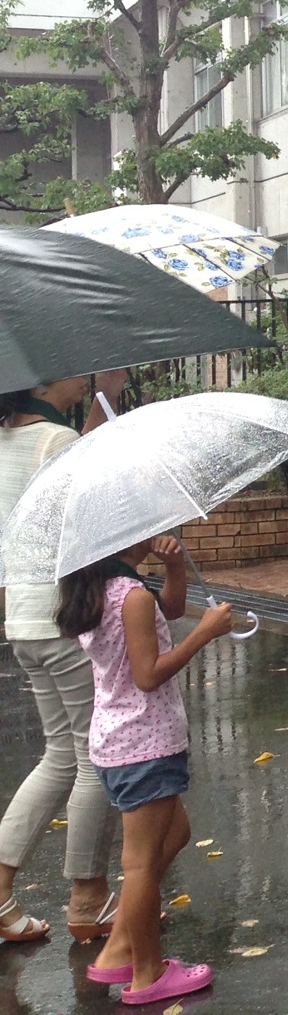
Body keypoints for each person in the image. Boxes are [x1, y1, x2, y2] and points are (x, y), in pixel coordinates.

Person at [57, 534, 235, 1005]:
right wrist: (206, 633)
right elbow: (148, 673)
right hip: (144, 746)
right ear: (122, 535)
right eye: (145, 525)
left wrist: (174, 569)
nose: (158, 530)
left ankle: (119, 950)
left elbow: (168, 611)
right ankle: (147, 975)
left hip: (122, 742)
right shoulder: (130, 597)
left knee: (175, 834)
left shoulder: (106, 588)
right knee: (139, 866)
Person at [0, 374, 124, 946]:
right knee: (94, 756)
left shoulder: (10, 437)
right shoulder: (54, 440)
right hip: (62, 616)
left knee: (59, 755)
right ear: (47, 379)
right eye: (80, 369)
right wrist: (111, 400)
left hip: (23, 616)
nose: (88, 375)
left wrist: (106, 402)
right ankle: (88, 899)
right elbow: (86, 512)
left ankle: (0, 892)